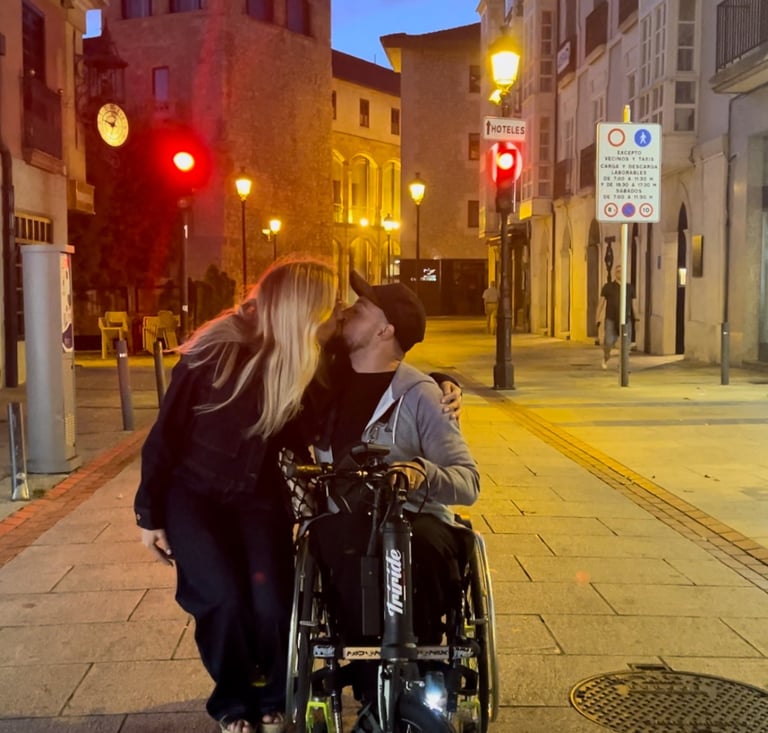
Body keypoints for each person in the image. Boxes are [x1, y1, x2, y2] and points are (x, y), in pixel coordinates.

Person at [134, 257, 338, 733]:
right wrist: (149, 514)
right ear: (301, 310)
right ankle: (231, 701)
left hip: (259, 498)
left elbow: (374, 374)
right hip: (194, 496)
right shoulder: (214, 351)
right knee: (222, 598)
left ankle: (272, 695)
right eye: (327, 310)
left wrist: (440, 385)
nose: (333, 320)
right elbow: (165, 435)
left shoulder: (306, 355)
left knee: (272, 603)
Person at [307, 272, 480, 691]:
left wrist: (421, 472)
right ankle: (370, 674)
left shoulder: (422, 395)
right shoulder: (322, 383)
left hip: (413, 518)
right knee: (336, 542)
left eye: (362, 307)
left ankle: (415, 667)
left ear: (385, 330)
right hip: (345, 519)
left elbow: (468, 481)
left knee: (424, 548)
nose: (348, 310)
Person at [596, 265, 635, 369]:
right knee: (608, 342)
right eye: (617, 271)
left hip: (626, 319)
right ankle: (606, 356)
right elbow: (601, 303)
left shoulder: (629, 288)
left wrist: (635, 318)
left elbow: (633, 304)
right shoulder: (608, 287)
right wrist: (597, 317)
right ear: (615, 273)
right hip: (611, 319)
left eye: (621, 271)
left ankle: (623, 365)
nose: (619, 273)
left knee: (626, 344)